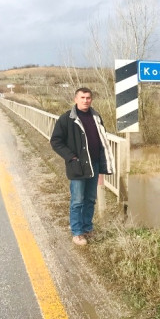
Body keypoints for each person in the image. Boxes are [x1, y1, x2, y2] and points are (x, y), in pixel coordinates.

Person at [50, 87, 115, 246]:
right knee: (77, 200)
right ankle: (77, 233)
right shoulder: (67, 119)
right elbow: (56, 141)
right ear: (76, 99)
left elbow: (101, 139)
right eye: (82, 97)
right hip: (78, 166)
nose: (85, 100)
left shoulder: (96, 116)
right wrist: (71, 157)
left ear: (91, 99)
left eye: (88, 98)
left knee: (90, 199)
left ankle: (87, 228)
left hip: (94, 164)